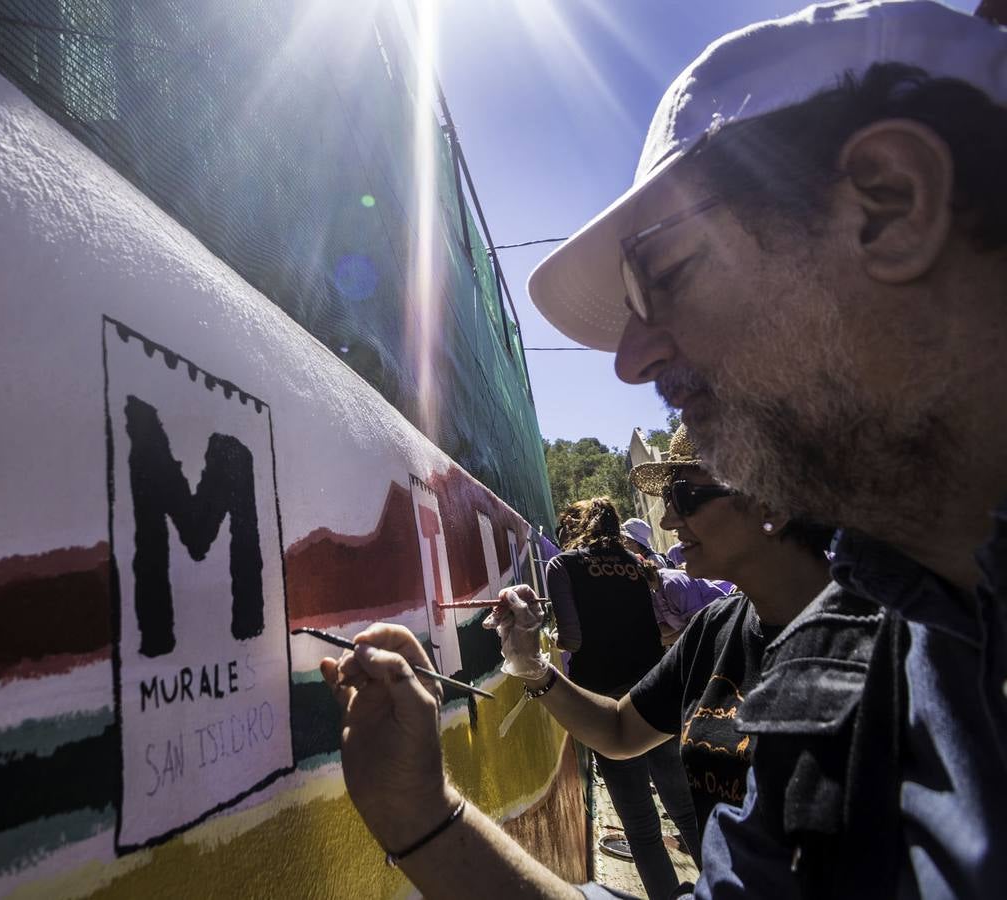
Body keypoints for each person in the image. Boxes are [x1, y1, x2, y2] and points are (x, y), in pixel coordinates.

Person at [320, 3, 1007, 898]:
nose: (631, 360)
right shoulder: (853, 656)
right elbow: (622, 732)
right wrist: (421, 813)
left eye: (672, 272)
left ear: (890, 203)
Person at [486, 425, 831, 864]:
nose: (667, 520)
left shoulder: (888, 647)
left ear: (771, 503)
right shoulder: (714, 628)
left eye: (683, 496)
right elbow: (619, 730)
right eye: (667, 498)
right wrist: (530, 665)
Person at [536, 498, 698, 900]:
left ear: (574, 526)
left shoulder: (562, 565)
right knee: (686, 811)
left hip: (604, 702)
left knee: (641, 827)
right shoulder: (637, 564)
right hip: (654, 692)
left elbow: (573, 640)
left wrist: (547, 638)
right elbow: (657, 627)